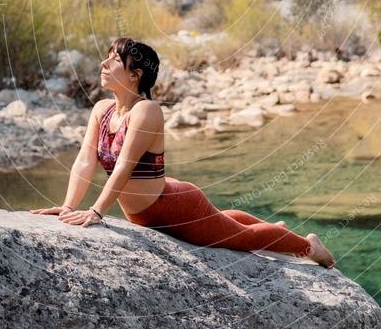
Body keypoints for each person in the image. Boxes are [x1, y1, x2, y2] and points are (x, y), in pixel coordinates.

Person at [31, 36, 336, 268]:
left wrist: (96, 212)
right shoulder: (102, 110)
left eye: (113, 60)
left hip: (173, 206)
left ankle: (308, 246)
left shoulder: (146, 110)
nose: (103, 64)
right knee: (221, 223)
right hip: (149, 213)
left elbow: (124, 166)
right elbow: (85, 160)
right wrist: (68, 206)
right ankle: (270, 229)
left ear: (135, 74)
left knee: (243, 240)